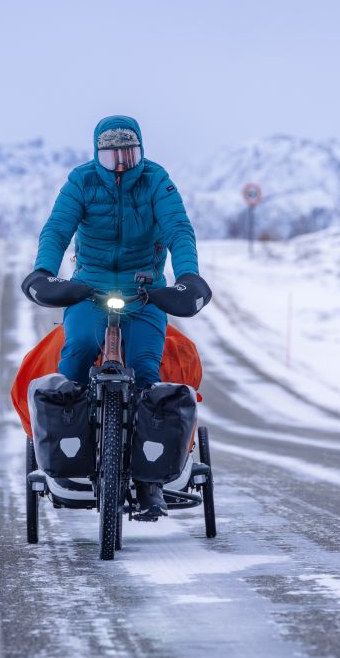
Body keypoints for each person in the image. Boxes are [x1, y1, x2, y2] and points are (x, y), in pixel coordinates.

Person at [21, 115, 212, 520]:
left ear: (141, 151)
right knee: (76, 355)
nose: (122, 164)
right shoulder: (82, 181)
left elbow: (179, 229)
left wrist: (188, 276)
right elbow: (57, 229)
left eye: (130, 154)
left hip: (145, 293)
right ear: (97, 156)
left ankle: (149, 479)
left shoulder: (157, 181)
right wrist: (43, 270)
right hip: (89, 290)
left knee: (146, 370)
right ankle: (71, 449)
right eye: (112, 157)